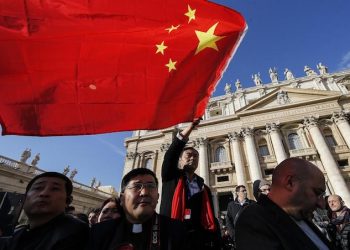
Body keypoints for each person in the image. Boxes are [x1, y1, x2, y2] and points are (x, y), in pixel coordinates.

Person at [235, 158, 335, 250]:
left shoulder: (299, 214)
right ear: (290, 183)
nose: (322, 204)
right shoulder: (253, 219)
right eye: (317, 193)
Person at [88, 168, 185, 250]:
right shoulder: (99, 232)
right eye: (137, 186)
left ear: (158, 197)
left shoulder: (177, 231)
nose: (144, 192)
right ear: (122, 198)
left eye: (151, 186)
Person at [160, 119, 220, 249]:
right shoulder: (171, 177)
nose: (193, 158)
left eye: (196, 156)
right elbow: (171, 154)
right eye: (189, 155)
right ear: (180, 159)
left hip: (196, 240)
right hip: (171, 237)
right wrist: (190, 127)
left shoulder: (204, 188)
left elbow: (211, 217)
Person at [4, 172, 89, 250]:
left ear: (68, 201)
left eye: (55, 189)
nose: (44, 193)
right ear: (25, 197)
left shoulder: (76, 233)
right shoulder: (17, 233)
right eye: (38, 188)